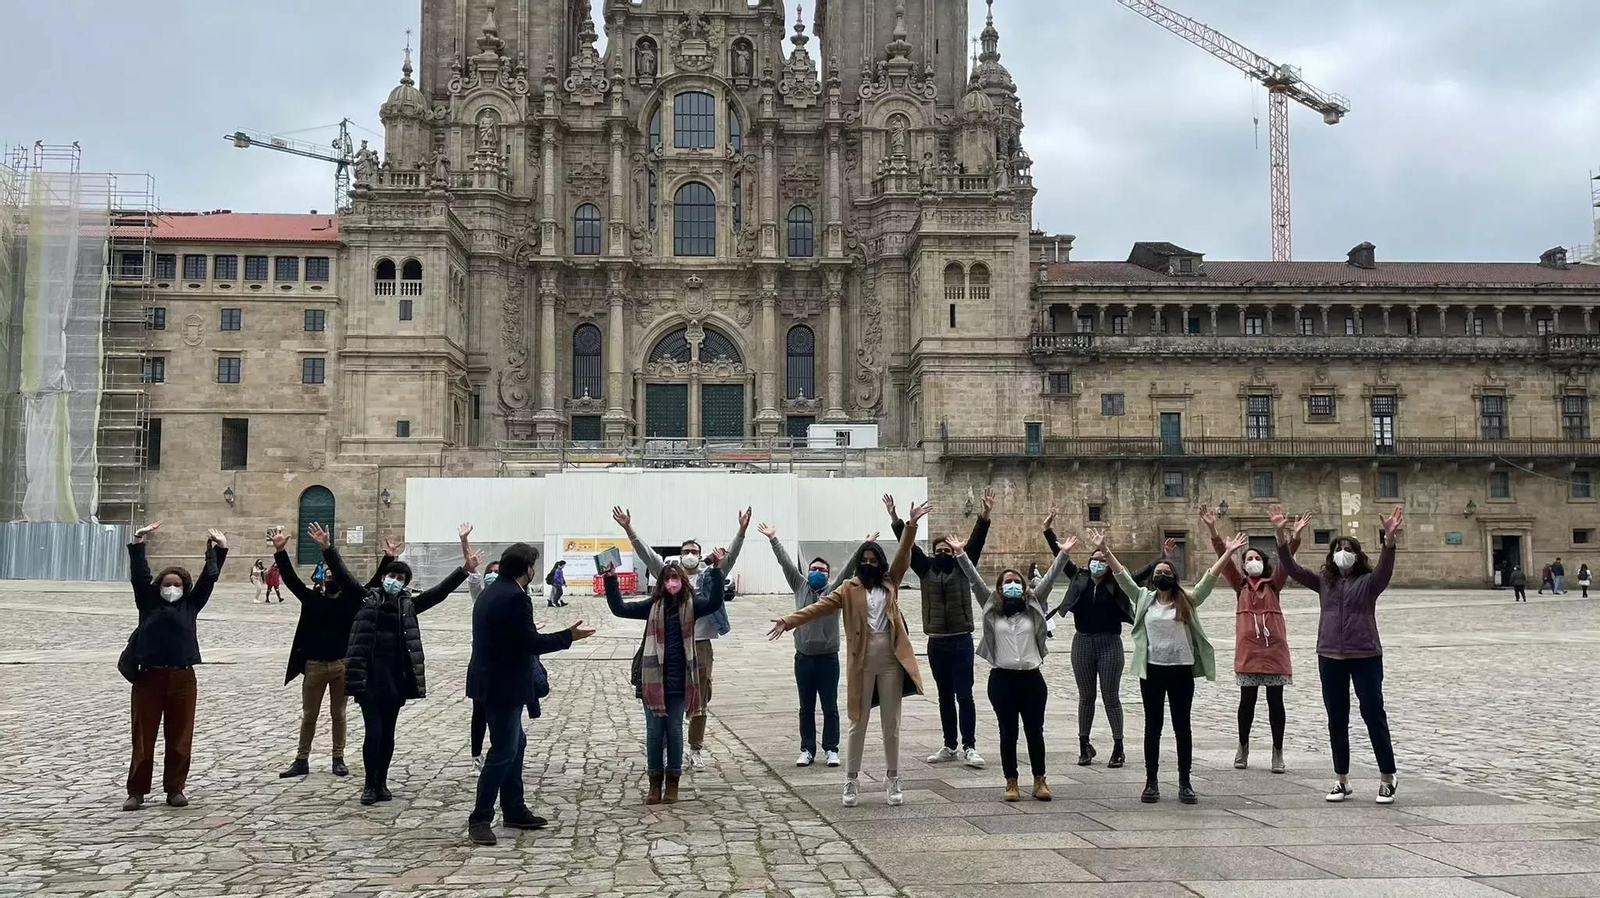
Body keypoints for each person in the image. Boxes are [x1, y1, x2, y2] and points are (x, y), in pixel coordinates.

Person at [769, 501, 931, 808]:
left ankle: (893, 777)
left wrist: (910, 525)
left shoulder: (890, 582)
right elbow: (818, 607)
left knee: (891, 724)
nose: (869, 563)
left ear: (880, 563)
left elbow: (903, 555)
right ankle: (851, 779)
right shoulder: (848, 588)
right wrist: (788, 621)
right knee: (858, 722)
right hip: (862, 661)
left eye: (873, 559)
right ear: (859, 563)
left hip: (890, 661)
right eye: (864, 559)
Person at [318, 522, 473, 805]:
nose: (394, 580)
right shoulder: (366, 599)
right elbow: (344, 577)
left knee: (388, 734)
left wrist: (463, 569)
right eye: (391, 575)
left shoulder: (408, 605)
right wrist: (328, 548)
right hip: (369, 679)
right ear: (384, 577)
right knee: (373, 732)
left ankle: (382, 782)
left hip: (396, 679)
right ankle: (369, 784)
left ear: (405, 583)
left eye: (400, 578)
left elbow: (438, 593)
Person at [1093, 526, 1244, 805]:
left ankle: (1185, 782)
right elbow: (1122, 577)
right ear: (1153, 578)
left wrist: (1229, 552)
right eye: (1159, 573)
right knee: (1153, 726)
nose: (1162, 575)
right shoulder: (1143, 599)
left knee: (1182, 726)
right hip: (1152, 671)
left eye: (1167, 573)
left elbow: (1209, 579)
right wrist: (1105, 550)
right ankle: (1151, 782)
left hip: (1181, 670)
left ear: (1174, 578)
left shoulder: (1186, 600)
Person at [1274, 504, 1404, 805]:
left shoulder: (1369, 583)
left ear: (1357, 556)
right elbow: (1292, 569)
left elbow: (1385, 568)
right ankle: (1341, 780)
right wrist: (1281, 535)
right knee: (1336, 719)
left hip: (1365, 656)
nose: (1342, 553)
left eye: (1347, 549)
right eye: (1337, 549)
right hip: (1330, 656)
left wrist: (1389, 540)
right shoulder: (1324, 582)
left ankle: (1388, 777)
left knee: (1373, 715)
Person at [466, 542, 594, 846]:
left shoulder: (492, 592)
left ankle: (514, 808)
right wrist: (568, 637)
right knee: (504, 751)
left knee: (516, 745)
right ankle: (480, 817)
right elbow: (529, 643)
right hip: (503, 684)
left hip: (489, 680)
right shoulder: (515, 597)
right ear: (526, 568)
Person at [614, 505, 748, 772]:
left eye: (694, 552)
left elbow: (730, 558)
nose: (689, 555)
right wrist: (629, 528)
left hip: (699, 644)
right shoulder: (668, 575)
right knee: (665, 694)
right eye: (685, 551)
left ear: (701, 555)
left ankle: (695, 748)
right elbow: (647, 554)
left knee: (700, 697)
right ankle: (665, 748)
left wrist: (742, 531)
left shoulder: (710, 575)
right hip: (669, 643)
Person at [1044, 509, 1168, 768]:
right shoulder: (1079, 577)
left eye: (1102, 559)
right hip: (1083, 642)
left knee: (1111, 696)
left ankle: (1118, 746)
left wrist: (1161, 559)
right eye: (1094, 559)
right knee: (1086, 695)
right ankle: (1084, 745)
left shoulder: (1117, 583)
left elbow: (1142, 574)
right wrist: (1048, 531)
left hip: (1110, 643)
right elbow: (1061, 557)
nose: (1097, 563)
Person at [604, 552, 728, 804]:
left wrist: (715, 569)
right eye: (668, 578)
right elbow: (620, 608)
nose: (672, 582)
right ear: (661, 583)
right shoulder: (652, 606)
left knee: (673, 731)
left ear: (682, 580)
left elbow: (715, 601)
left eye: (676, 577)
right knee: (653, 732)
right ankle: (654, 782)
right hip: (653, 681)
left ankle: (673, 782)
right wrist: (610, 579)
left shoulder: (693, 605)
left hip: (681, 681)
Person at [954, 535, 1070, 802]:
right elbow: (974, 582)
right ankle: (1011, 781)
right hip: (1002, 679)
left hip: (1032, 679)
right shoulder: (991, 607)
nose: (1014, 585)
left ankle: (1040, 779)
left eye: (1017, 582)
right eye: (1008, 582)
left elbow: (1050, 581)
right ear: (999, 587)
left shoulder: (1032, 605)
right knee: (1008, 732)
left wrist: (1062, 554)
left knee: (1034, 731)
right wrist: (961, 555)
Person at [274, 527, 395, 779]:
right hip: (314, 665)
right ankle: (301, 758)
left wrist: (388, 559)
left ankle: (338, 757)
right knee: (309, 715)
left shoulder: (350, 602)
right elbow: (291, 580)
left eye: (334, 575)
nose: (331, 579)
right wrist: (280, 551)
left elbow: (373, 584)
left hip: (341, 665)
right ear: (321, 579)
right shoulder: (311, 599)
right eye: (327, 575)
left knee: (338, 715)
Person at [122, 521, 228, 811]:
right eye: (167, 584)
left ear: (184, 588)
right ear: (159, 587)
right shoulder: (148, 603)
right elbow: (139, 576)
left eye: (177, 585)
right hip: (149, 678)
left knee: (180, 737)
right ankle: (137, 791)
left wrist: (218, 549)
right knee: (143, 737)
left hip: (183, 679)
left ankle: (175, 788)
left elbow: (209, 579)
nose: (172, 588)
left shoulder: (191, 606)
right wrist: (139, 543)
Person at [884, 489, 992, 770]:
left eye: (947, 550)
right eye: (939, 551)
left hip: (961, 640)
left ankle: (970, 746)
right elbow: (906, 546)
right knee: (944, 695)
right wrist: (900, 520)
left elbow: (977, 542)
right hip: (937, 642)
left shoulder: (962, 569)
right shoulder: (926, 569)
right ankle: (950, 745)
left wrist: (984, 515)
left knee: (964, 694)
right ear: (933, 553)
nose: (943, 553)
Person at [1199, 504, 1303, 775]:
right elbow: (1223, 557)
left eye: (1256, 558)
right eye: (1248, 559)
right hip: (1248, 653)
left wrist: (1285, 535)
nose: (1252, 561)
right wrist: (1213, 528)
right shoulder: (1240, 584)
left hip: (1274, 653)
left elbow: (1287, 559)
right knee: (1247, 702)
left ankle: (1277, 751)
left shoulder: (1274, 583)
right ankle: (1243, 746)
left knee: (1275, 703)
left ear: (1263, 563)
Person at [757, 522, 864, 768]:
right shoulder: (801, 585)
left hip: (828, 658)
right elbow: (785, 563)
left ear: (828, 574)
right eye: (814, 568)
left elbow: (849, 569)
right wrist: (773, 538)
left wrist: (864, 546)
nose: (817, 572)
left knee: (830, 706)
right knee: (806, 706)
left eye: (822, 570)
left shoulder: (836, 590)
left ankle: (831, 749)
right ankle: (807, 748)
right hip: (803, 657)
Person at [458, 523, 499, 771]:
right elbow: (471, 568)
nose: (493, 574)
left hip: (504, 662)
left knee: (502, 711)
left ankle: (500, 752)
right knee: (479, 710)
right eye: (490, 571)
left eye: (497, 571)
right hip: (482, 661)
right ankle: (476, 755)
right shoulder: (480, 594)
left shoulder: (516, 596)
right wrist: (464, 542)